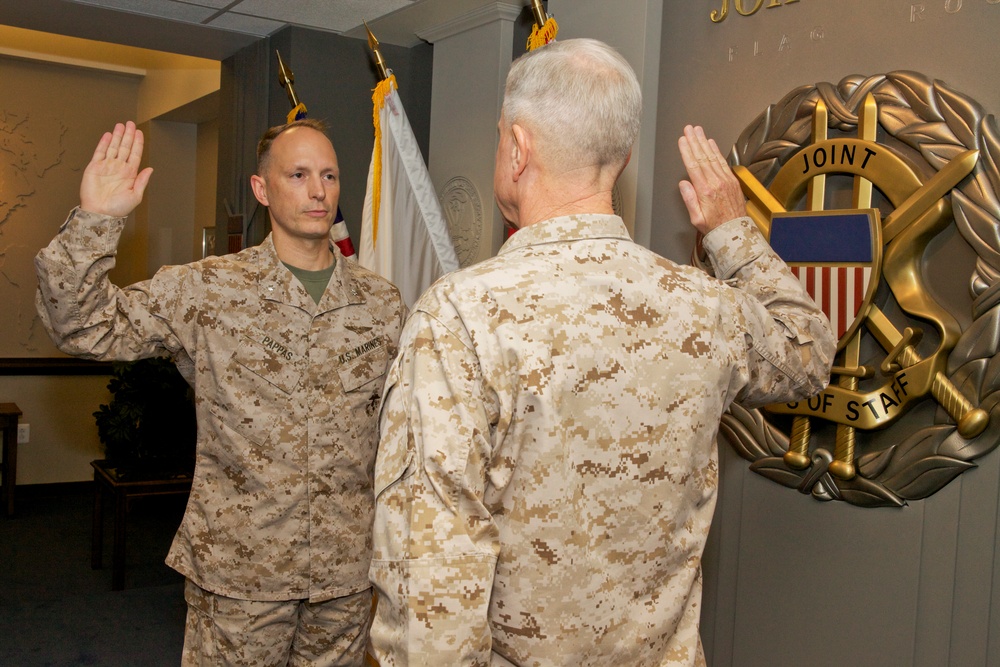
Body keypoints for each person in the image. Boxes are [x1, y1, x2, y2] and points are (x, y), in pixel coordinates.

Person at [368, 38, 836, 666]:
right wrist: (732, 231)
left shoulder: (461, 315)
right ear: (620, 156)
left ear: (516, 149)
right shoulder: (705, 308)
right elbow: (806, 352)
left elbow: (429, 588)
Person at [35, 118, 406, 666]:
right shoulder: (208, 290)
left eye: (329, 175)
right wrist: (97, 220)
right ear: (262, 189)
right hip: (241, 575)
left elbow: (402, 432)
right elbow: (83, 325)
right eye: (298, 174)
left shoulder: (382, 304)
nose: (318, 190)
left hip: (344, 575)